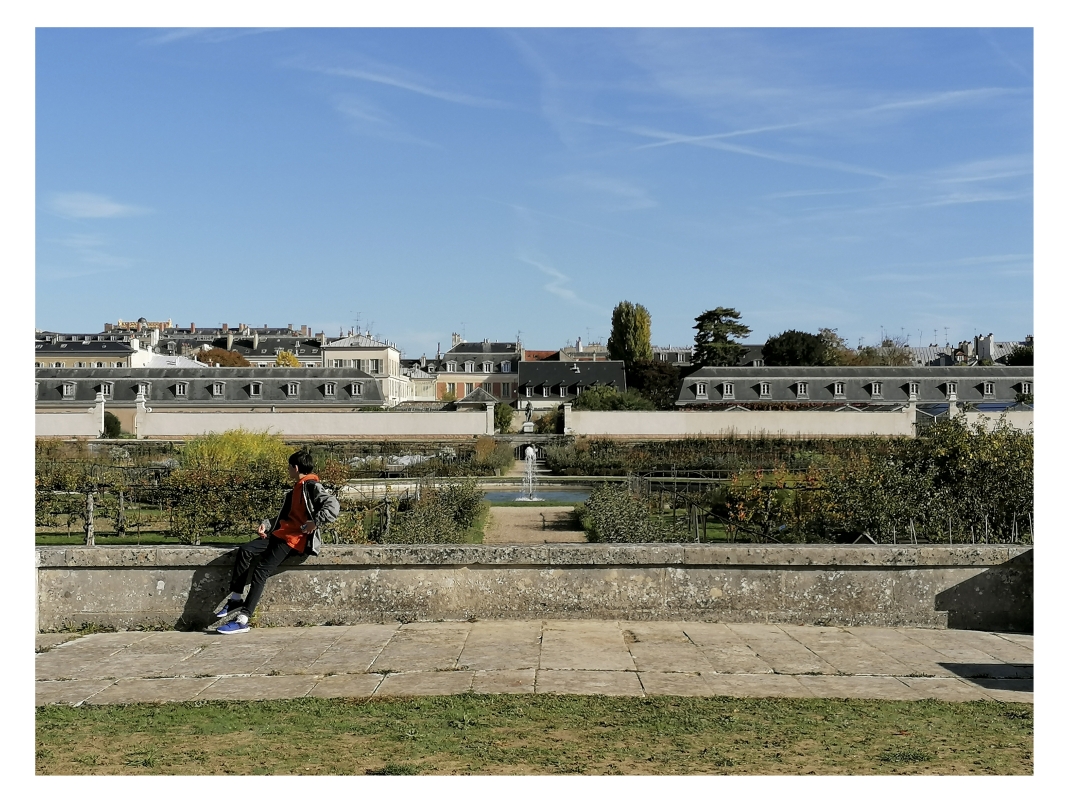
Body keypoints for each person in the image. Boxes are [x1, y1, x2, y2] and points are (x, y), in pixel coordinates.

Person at [214, 449, 340, 634]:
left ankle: (243, 619)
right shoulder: (295, 491)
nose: (288, 470)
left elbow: (333, 505)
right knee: (245, 550)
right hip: (280, 534)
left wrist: (315, 522)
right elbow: (286, 516)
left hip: (293, 540)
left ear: (295, 468)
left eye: (289, 467)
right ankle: (235, 598)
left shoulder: (311, 486)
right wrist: (266, 524)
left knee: (261, 571)